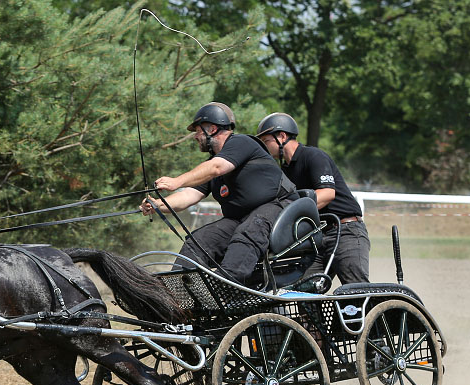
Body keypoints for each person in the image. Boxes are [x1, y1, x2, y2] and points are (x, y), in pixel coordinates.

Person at [141, 102, 296, 285]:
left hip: (278, 207)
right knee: (199, 240)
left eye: (198, 131)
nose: (196, 137)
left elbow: (216, 167)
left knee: (249, 231)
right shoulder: (212, 165)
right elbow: (190, 194)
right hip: (242, 219)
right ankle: (179, 289)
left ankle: (226, 286)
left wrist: (176, 181)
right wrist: (158, 205)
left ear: (212, 129)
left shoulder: (241, 143)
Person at [256, 112, 370, 285]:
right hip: (316, 238)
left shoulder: (313, 156)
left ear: (282, 136)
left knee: (356, 289)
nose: (264, 147)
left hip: (345, 231)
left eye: (266, 141)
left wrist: (289, 215)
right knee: (303, 290)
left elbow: (327, 194)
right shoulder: (285, 170)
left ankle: (376, 311)